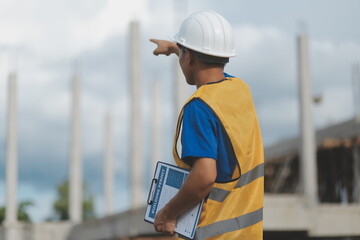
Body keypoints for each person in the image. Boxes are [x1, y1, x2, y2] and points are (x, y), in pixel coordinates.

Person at [150, 10, 264, 240]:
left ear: (189, 57)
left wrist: (168, 214)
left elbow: (204, 176)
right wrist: (177, 48)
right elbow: (210, 63)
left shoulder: (199, 107)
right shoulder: (240, 89)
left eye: (183, 53)